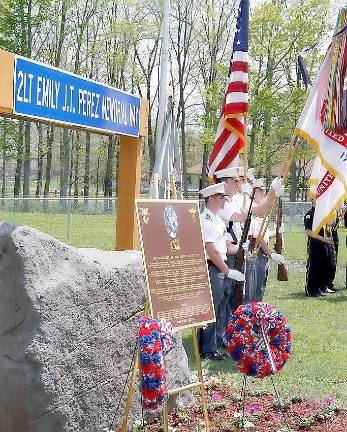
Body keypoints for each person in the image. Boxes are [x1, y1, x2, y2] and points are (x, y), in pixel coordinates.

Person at [199, 182, 245, 360]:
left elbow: (225, 247)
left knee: (220, 307)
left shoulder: (218, 220)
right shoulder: (206, 220)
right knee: (211, 309)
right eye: (220, 198)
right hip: (213, 267)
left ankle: (217, 342)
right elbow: (211, 250)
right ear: (211, 199)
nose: (223, 201)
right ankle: (207, 348)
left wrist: (241, 246)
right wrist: (227, 271)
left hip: (221, 267)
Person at [244, 178, 285, 302]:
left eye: (263, 190)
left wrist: (276, 231)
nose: (263, 192)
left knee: (260, 288)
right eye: (260, 190)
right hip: (256, 252)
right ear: (253, 192)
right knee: (252, 291)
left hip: (262, 253)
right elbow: (258, 238)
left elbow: (265, 234)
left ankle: (257, 314)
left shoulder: (262, 212)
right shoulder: (254, 211)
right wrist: (272, 254)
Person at [304, 199, 335, 297]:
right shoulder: (310, 214)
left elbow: (330, 224)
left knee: (324, 265)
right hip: (315, 243)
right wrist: (323, 238)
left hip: (324, 243)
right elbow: (308, 231)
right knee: (314, 266)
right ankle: (311, 290)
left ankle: (320, 287)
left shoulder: (323, 215)